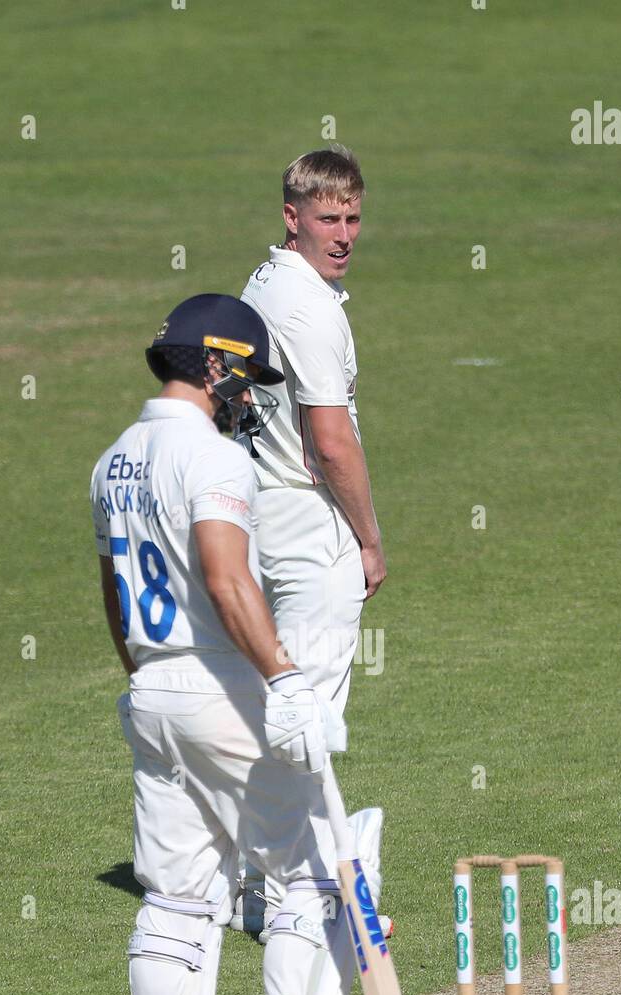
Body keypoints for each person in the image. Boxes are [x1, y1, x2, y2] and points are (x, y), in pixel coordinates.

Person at [90, 294, 383, 995]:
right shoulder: (216, 462)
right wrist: (285, 679)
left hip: (152, 689)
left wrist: (146, 677)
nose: (247, 396)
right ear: (213, 365)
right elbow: (227, 579)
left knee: (175, 896)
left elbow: (113, 594)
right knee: (315, 876)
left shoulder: (115, 459)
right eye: (243, 377)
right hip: (222, 688)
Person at [236, 146, 386, 938]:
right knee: (308, 711)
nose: (343, 233)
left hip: (265, 514)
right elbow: (331, 441)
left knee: (286, 703)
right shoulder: (310, 308)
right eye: (327, 218)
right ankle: (290, 889)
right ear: (291, 217)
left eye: (352, 217)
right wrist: (368, 538)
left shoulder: (265, 284)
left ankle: (263, 877)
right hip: (309, 516)